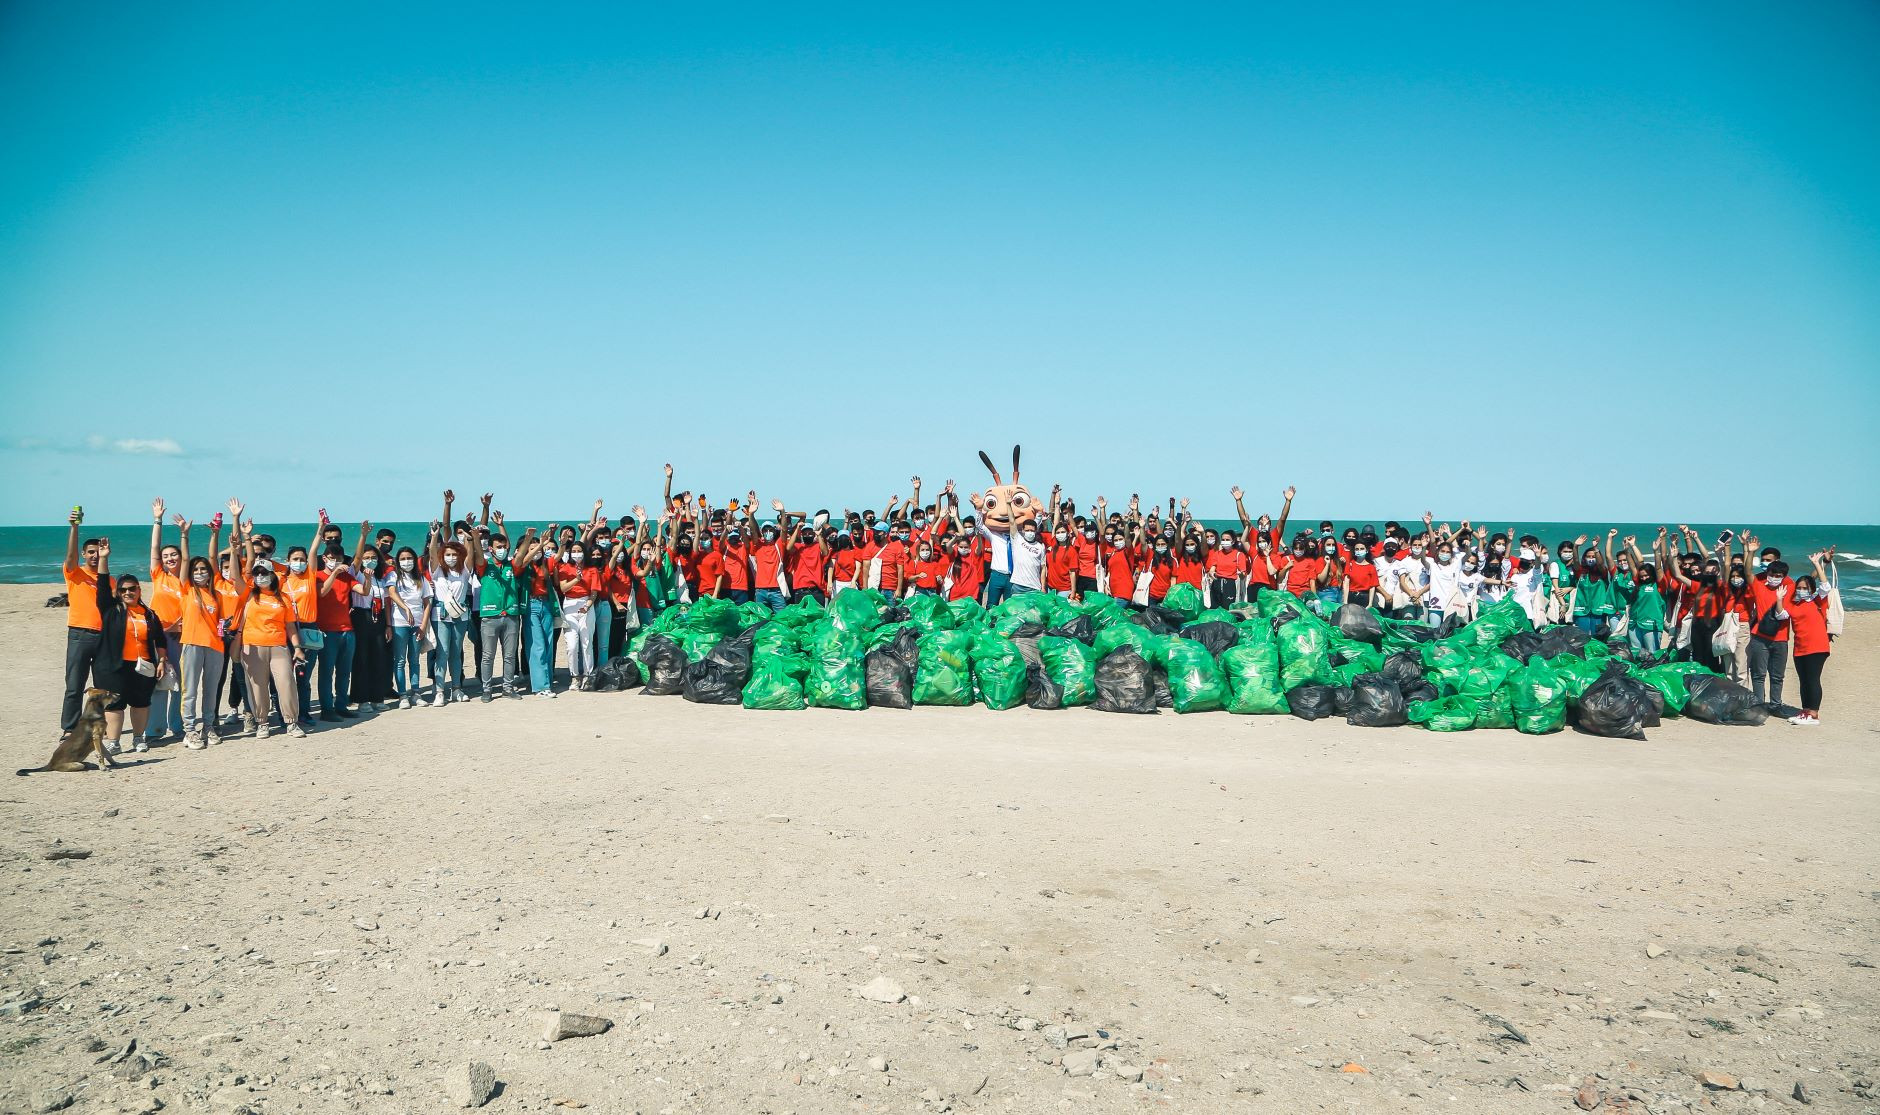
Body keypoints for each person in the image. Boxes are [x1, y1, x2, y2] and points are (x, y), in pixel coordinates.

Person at [88, 539, 168, 754]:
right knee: (114, 704)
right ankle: (114, 742)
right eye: (123, 590)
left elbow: (160, 639)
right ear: (117, 592)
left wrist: (161, 660)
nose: (127, 593)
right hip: (113, 666)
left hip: (143, 665)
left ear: (139, 590)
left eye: (132, 589)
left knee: (141, 702)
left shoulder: (149, 614)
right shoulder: (110, 610)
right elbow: (102, 586)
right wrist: (104, 558)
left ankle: (138, 738)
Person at [229, 535, 308, 738]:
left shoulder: (284, 598)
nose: (260, 576)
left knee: (286, 683)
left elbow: (290, 626)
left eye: (264, 572)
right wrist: (234, 550)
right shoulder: (248, 594)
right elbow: (235, 576)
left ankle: (291, 722)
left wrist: (297, 648)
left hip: (278, 647)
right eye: (257, 573)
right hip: (252, 647)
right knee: (257, 686)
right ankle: (262, 722)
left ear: (273, 575)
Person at [59, 508, 109, 737]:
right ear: (84, 554)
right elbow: (70, 557)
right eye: (90, 552)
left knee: (101, 688)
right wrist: (74, 526)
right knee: (74, 686)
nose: (94, 556)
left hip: (103, 638)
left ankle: (97, 726)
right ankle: (70, 728)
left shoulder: (109, 580)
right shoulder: (75, 573)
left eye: (98, 552)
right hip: (79, 634)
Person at [145, 500, 187, 742]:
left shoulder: (186, 580)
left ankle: (177, 725)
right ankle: (154, 730)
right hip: (158, 635)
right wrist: (157, 520)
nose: (170, 558)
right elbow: (154, 547)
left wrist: (183, 534)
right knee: (159, 680)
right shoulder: (158, 574)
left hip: (180, 637)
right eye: (166, 556)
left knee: (180, 682)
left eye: (174, 555)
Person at [427, 529, 477, 704]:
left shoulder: (464, 572)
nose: (451, 557)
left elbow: (470, 556)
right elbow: (432, 555)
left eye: (454, 554)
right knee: (442, 652)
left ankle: (457, 689)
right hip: (440, 616)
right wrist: (434, 536)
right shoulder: (437, 571)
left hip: (460, 615)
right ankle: (440, 691)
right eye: (448, 554)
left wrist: (470, 540)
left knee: (456, 653)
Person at [1787, 550, 1834, 725]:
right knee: (1803, 680)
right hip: (1800, 648)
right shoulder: (1794, 604)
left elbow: (1825, 585)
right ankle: (1805, 710)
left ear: (1811, 590)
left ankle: (1813, 714)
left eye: (1805, 588)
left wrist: (1817, 564)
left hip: (1817, 647)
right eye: (1799, 588)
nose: (1801, 590)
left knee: (1813, 679)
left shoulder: (1817, 600)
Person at [313, 544, 358, 722]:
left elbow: (363, 591)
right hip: (327, 631)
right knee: (326, 671)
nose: (336, 562)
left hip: (347, 630)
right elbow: (322, 592)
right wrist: (334, 573)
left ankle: (341, 705)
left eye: (339, 559)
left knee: (344, 672)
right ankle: (326, 709)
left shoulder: (347, 577)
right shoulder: (318, 575)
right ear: (324, 558)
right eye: (332, 558)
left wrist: (368, 579)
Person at [385, 545, 434, 709]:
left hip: (417, 625)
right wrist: (405, 608)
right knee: (399, 661)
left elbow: (427, 603)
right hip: (399, 623)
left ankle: (416, 693)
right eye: (403, 559)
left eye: (409, 558)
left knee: (414, 660)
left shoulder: (420, 578)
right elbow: (391, 593)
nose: (407, 562)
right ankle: (402, 695)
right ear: (398, 561)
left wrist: (423, 625)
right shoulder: (393, 575)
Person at [1745, 556, 1793, 706]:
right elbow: (1748, 572)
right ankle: (1759, 705)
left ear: (1784, 577)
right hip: (1759, 637)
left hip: (1781, 639)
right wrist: (1750, 552)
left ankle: (1775, 705)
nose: (1774, 578)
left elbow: (1808, 583)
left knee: (1777, 676)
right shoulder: (1759, 587)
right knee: (1758, 674)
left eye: (1778, 576)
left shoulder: (1789, 589)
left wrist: (1821, 564)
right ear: (1767, 573)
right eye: (1771, 574)